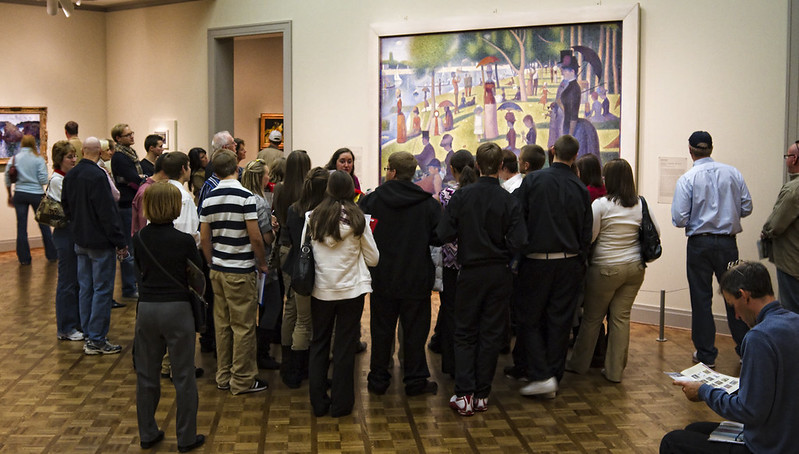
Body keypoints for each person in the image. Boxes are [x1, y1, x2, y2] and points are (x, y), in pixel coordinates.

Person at [661, 261, 799, 454]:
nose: (735, 315)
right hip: (787, 437)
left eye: (733, 305)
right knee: (695, 429)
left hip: (768, 446)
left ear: (744, 295)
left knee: (672, 442)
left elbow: (749, 411)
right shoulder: (794, 321)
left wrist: (703, 392)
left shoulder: (759, 338)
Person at [437, 142, 526, 416]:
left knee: (464, 331)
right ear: (501, 166)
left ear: (476, 165)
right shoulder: (509, 200)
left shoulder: (462, 197)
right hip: (499, 272)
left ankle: (464, 393)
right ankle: (482, 395)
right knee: (490, 334)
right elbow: (521, 240)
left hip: (471, 271)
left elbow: (443, 233)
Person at [512, 135, 592, 396]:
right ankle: (553, 377)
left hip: (537, 262)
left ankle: (541, 374)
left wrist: (520, 251)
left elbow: (518, 218)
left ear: (553, 151)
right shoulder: (580, 188)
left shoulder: (534, 180)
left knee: (528, 318)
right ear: (575, 157)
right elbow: (585, 231)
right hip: (569, 263)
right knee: (560, 322)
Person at [566, 159, 658, 383]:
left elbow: (590, 237)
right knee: (621, 319)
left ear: (611, 179)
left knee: (592, 319)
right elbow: (655, 231)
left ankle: (579, 365)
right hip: (635, 269)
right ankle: (615, 371)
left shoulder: (601, 205)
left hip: (605, 268)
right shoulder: (640, 203)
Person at [360, 151, 441, 397]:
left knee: (381, 329)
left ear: (392, 172)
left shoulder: (372, 201)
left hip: (382, 276)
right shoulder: (428, 203)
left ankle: (378, 379)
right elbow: (439, 236)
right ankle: (415, 381)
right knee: (415, 332)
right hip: (416, 277)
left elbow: (361, 231)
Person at [132, 182, 205, 453]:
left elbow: (138, 273)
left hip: (148, 308)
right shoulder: (184, 241)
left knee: (147, 375)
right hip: (177, 309)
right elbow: (196, 278)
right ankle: (186, 437)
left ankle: (148, 432)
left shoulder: (138, 239)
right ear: (174, 206)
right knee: (183, 375)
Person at [672, 131, 752, 368]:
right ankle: (745, 349)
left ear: (690, 150)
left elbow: (679, 218)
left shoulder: (687, 179)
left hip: (700, 244)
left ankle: (706, 355)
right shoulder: (732, 173)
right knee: (735, 296)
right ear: (712, 148)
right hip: (728, 243)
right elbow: (747, 207)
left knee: (701, 298)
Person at [308, 170, 379, 417]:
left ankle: (318, 402)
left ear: (328, 189)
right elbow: (374, 258)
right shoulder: (358, 219)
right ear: (351, 190)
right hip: (351, 291)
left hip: (321, 290)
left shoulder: (312, 217)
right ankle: (342, 404)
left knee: (319, 344)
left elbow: (304, 253)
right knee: (344, 347)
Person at [199, 149, 269, 395]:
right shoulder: (246, 197)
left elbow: (204, 238)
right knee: (244, 326)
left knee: (222, 325)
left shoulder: (208, 198)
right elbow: (255, 237)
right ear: (236, 169)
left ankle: (223, 375)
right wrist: (261, 263)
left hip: (217, 270)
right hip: (240, 270)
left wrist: (211, 262)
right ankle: (242, 380)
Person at [61, 137, 128, 355]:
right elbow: (107, 212)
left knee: (86, 288)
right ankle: (97, 339)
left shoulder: (71, 175)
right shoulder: (98, 176)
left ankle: (89, 334)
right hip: (100, 242)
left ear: (82, 151)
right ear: (99, 152)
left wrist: (76, 228)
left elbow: (66, 207)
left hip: (80, 240)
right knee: (102, 289)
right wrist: (120, 242)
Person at [434, 150, 478, 377]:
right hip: (475, 262)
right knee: (473, 315)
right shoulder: (481, 193)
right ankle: (472, 365)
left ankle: (451, 364)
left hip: (451, 263)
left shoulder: (447, 194)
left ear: (452, 169)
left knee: (450, 312)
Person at [272, 150, 312, 387]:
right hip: (304, 250)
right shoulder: (308, 191)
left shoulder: (279, 189)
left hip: (285, 246)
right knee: (304, 308)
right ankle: (301, 359)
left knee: (290, 305)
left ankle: (287, 359)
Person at [240, 159, 280, 371]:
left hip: (244, 261)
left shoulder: (242, 197)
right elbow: (265, 238)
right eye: (266, 174)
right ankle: (262, 352)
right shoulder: (261, 202)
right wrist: (274, 229)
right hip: (261, 263)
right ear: (259, 177)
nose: (269, 178)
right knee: (272, 307)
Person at [5, 134, 57, 265]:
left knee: (21, 227)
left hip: (20, 194)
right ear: (34, 144)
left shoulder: (14, 158)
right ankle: (51, 254)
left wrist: (9, 195)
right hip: (36, 194)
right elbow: (44, 179)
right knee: (44, 225)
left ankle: (24, 259)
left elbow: (7, 178)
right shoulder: (38, 159)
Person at [49, 140, 82, 341]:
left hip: (72, 231)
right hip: (64, 232)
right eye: (70, 157)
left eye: (75, 156)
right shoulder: (57, 180)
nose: (74, 160)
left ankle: (75, 323)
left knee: (75, 281)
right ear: (60, 159)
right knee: (67, 282)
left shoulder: (68, 177)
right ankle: (66, 327)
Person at [761, 140, 799, 313]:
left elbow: (775, 225)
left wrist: (766, 232)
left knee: (791, 312)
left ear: (795, 159)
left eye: (787, 156)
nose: (786, 160)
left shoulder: (793, 190)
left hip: (792, 262)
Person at [110, 123, 145, 300]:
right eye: (128, 134)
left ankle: (133, 284)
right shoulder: (119, 157)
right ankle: (129, 288)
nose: (132, 136)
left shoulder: (129, 154)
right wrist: (140, 180)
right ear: (118, 138)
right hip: (125, 205)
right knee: (128, 248)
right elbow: (131, 178)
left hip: (131, 201)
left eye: (132, 133)